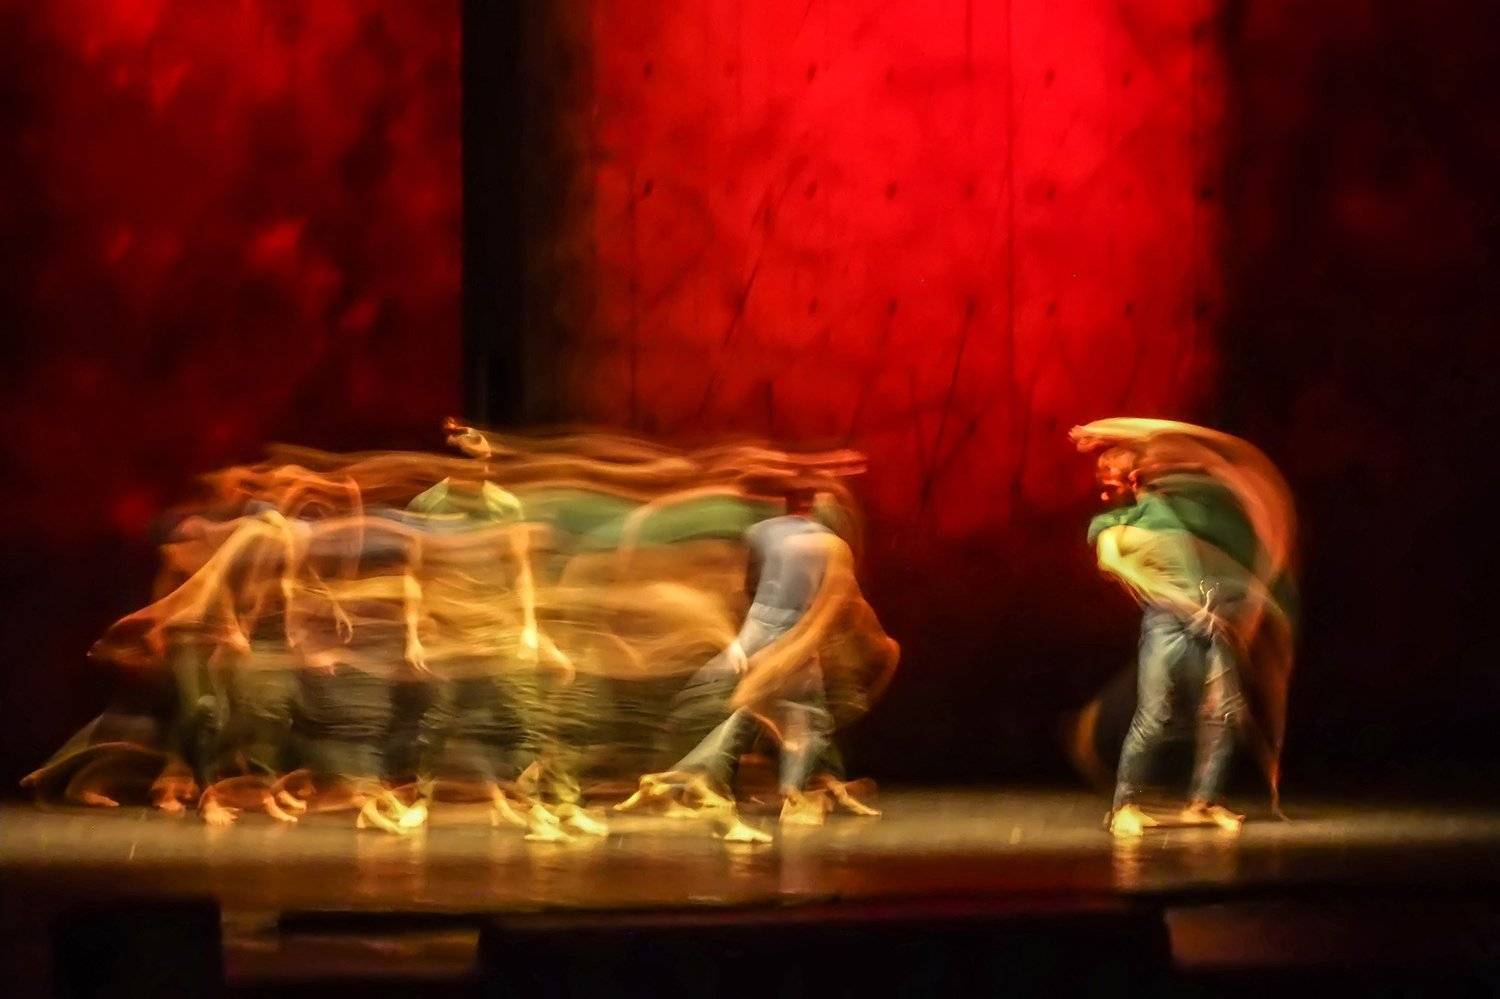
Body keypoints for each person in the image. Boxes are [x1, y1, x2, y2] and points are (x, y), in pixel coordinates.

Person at [1071, 419, 1297, 839]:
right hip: (1168, 622)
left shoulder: (1172, 511)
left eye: (1114, 478)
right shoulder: (1111, 527)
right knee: (1156, 715)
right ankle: (1124, 807)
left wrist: (1115, 431)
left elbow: (1194, 450)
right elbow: (1125, 570)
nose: (1106, 489)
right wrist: (1178, 598)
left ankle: (1203, 803)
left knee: (1223, 715)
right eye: (1103, 482)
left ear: (1136, 478)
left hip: (1209, 619)